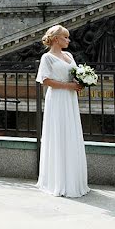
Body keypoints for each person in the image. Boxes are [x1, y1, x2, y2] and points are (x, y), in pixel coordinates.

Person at [35, 25, 90, 197]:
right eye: (65, 37)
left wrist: (81, 82)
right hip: (57, 98)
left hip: (70, 98)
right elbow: (45, 80)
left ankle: (72, 180)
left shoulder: (69, 55)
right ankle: (58, 181)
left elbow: (71, 74)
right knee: (59, 134)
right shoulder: (47, 57)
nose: (68, 40)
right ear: (56, 39)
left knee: (71, 133)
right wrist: (70, 86)